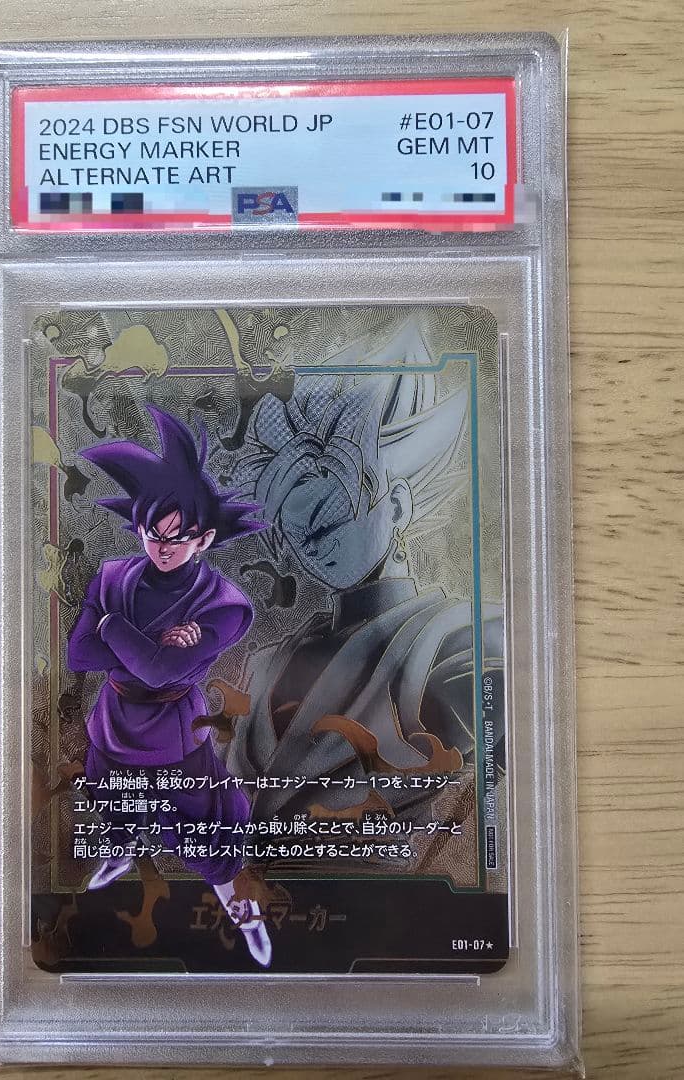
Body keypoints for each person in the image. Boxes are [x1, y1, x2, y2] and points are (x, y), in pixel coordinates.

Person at [226, 315, 505, 827]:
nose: (313, 547)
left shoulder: (465, 639)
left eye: (330, 520)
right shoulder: (269, 665)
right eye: (296, 532)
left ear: (395, 505)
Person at [68, 405, 272, 966]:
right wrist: (140, 638)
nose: (163, 547)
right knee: (112, 807)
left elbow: (159, 673)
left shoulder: (223, 604)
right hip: (112, 723)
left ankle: (245, 915)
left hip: (173, 736)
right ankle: (119, 853)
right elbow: (79, 653)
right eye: (154, 534)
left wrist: (113, 630)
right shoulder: (112, 576)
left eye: (177, 537)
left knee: (203, 836)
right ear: (140, 529)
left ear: (203, 539)